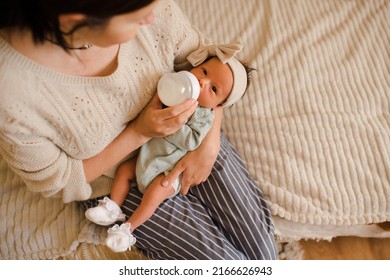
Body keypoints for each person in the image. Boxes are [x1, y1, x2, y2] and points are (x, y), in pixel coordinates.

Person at [0, 0, 277, 260]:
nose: (151, 17)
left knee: (262, 246)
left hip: (192, 130)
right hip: (118, 178)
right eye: (137, 17)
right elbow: (58, 179)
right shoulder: (12, 95)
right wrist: (139, 133)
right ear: (77, 20)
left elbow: (211, 65)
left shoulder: (149, 7)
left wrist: (211, 139)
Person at [85, 43, 251, 252]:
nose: (202, 81)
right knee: (124, 170)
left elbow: (192, 141)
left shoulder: (203, 115)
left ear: (218, 106)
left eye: (213, 89)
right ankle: (112, 207)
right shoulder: (179, 85)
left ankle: (127, 228)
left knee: (155, 193)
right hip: (148, 154)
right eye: (204, 71)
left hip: (169, 169)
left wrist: (177, 122)